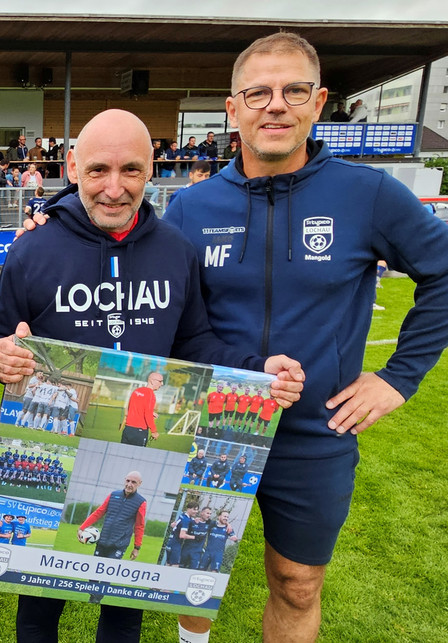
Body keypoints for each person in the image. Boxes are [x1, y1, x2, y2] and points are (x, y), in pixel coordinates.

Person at [163, 32, 448, 643]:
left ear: (318, 103)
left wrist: (397, 378)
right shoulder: (190, 207)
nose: (276, 105)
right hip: (211, 422)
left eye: (293, 91)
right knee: (192, 570)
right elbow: (153, 299)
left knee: (297, 581)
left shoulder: (367, 194)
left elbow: (444, 271)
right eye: (258, 92)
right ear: (232, 107)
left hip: (316, 433)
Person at [0, 108, 304, 643]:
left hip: (140, 446)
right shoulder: (32, 249)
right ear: (72, 166)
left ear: (151, 168)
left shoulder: (176, 250)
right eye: (98, 171)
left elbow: (195, 341)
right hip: (55, 441)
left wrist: (257, 370)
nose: (114, 188)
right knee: (39, 601)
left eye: (131, 170)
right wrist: (1, 357)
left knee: (124, 604)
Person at [79, 472, 146, 560]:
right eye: (128, 481)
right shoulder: (113, 495)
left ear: (139, 483)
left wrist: (136, 548)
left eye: (133, 482)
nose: (129, 484)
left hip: (119, 545)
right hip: (102, 541)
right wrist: (82, 528)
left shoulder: (141, 502)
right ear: (124, 480)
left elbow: (139, 526)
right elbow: (98, 513)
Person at [120, 372, 164, 446]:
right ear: (152, 381)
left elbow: (130, 409)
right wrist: (154, 431)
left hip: (127, 430)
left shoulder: (136, 391)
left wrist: (151, 413)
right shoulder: (150, 394)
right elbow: (147, 414)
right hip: (139, 432)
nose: (162, 384)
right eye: (160, 381)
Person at [165, 502, 199, 566]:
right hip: (175, 545)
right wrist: (195, 537)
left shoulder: (183, 515)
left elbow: (177, 524)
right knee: (175, 565)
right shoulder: (186, 520)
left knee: (168, 564)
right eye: (194, 509)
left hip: (170, 542)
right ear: (189, 509)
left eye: (197, 510)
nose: (196, 511)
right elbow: (182, 535)